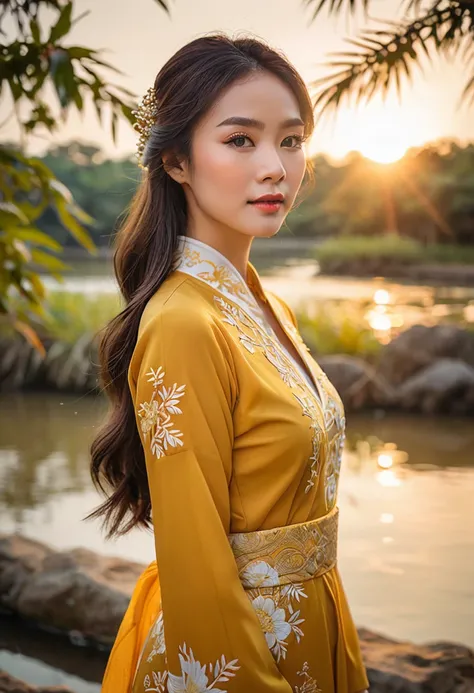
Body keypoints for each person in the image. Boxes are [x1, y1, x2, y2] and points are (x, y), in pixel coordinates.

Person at [89, 32, 370, 693]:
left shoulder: (264, 304)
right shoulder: (184, 321)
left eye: (291, 140)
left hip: (316, 631)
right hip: (237, 657)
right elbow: (196, 565)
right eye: (240, 140)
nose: (274, 166)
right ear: (178, 161)